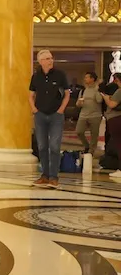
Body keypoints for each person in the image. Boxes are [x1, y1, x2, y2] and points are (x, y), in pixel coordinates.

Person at [30, 49, 69, 188]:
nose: (50, 60)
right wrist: (34, 109)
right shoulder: (36, 77)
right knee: (42, 146)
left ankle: (54, 177)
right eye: (47, 59)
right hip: (40, 115)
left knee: (54, 146)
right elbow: (31, 94)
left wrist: (61, 110)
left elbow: (66, 94)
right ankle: (44, 175)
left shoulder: (60, 75)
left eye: (51, 58)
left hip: (56, 115)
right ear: (40, 62)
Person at [76, 71, 103, 155]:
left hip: (95, 115)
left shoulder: (97, 89)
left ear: (92, 79)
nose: (85, 79)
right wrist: (79, 103)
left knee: (94, 134)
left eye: (87, 77)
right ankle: (86, 145)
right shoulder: (83, 90)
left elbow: (99, 100)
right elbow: (77, 104)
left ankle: (91, 151)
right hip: (83, 114)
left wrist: (97, 89)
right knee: (79, 131)